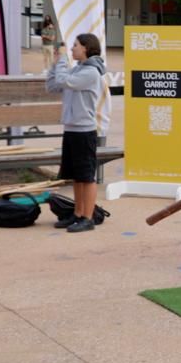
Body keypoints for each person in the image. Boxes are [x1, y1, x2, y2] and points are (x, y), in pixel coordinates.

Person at [45, 33, 108, 233]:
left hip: (84, 131)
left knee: (87, 176)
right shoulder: (78, 69)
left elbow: (65, 80)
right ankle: (77, 213)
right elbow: (53, 85)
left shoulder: (90, 73)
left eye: (75, 46)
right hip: (71, 129)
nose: (72, 49)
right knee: (76, 176)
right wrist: (55, 64)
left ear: (86, 48)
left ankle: (87, 217)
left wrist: (63, 59)